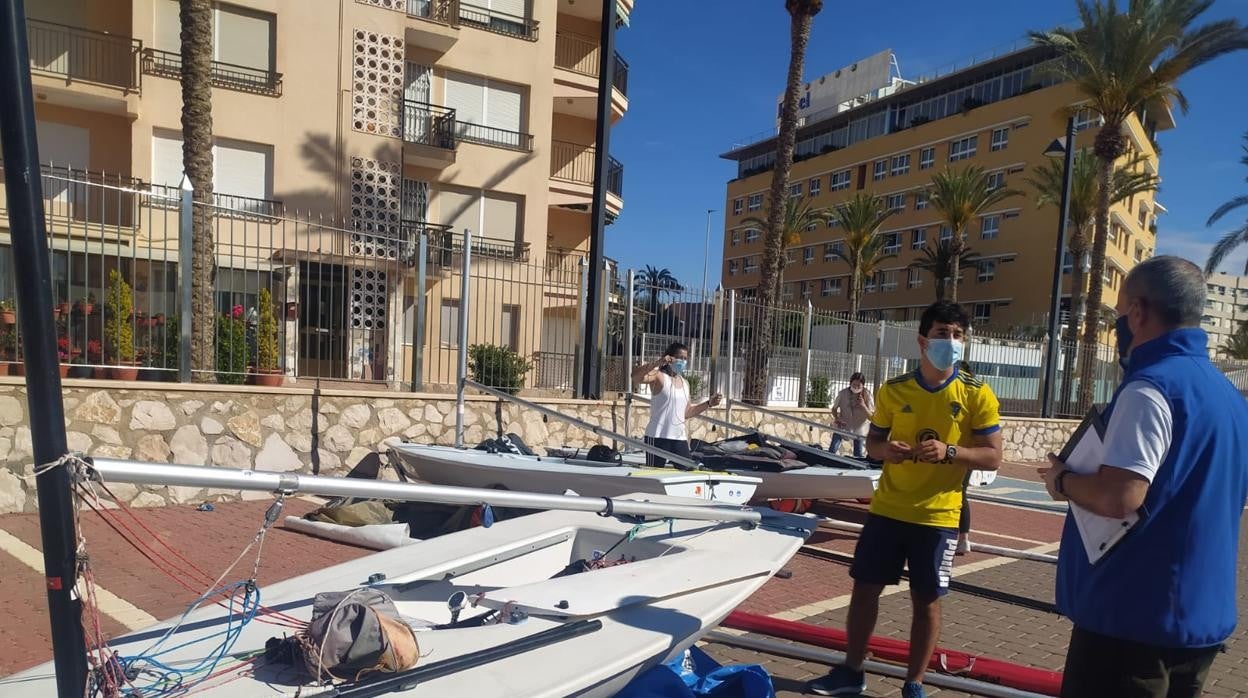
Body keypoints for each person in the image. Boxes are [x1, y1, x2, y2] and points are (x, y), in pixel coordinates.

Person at [1040, 257, 1248, 698]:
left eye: (1118, 315)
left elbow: (1120, 496)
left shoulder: (1150, 388)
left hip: (1131, 619)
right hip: (1198, 619)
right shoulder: (1228, 395)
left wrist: (1062, 481)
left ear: (1137, 312)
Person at [808, 301, 1002, 698]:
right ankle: (851, 671)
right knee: (864, 590)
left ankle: (914, 683)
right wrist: (887, 450)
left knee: (926, 600)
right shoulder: (895, 390)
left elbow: (993, 455)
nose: (950, 342)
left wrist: (951, 452)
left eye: (958, 335)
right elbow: (874, 444)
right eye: (942, 333)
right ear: (922, 341)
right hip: (888, 510)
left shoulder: (977, 394)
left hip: (938, 516)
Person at [631, 342, 722, 469]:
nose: (683, 361)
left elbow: (687, 412)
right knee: (654, 472)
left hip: (679, 437)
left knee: (688, 469)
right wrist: (658, 363)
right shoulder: (659, 377)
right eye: (680, 357)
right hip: (658, 436)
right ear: (670, 357)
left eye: (685, 358)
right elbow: (635, 377)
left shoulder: (685, 383)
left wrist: (709, 404)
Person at [829, 372, 874, 459]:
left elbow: (871, 416)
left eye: (859, 386)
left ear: (863, 385)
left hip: (860, 429)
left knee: (858, 455)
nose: (856, 387)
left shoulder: (867, 395)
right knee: (832, 449)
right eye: (854, 385)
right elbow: (834, 409)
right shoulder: (843, 393)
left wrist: (863, 405)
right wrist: (837, 418)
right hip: (843, 426)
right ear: (850, 383)